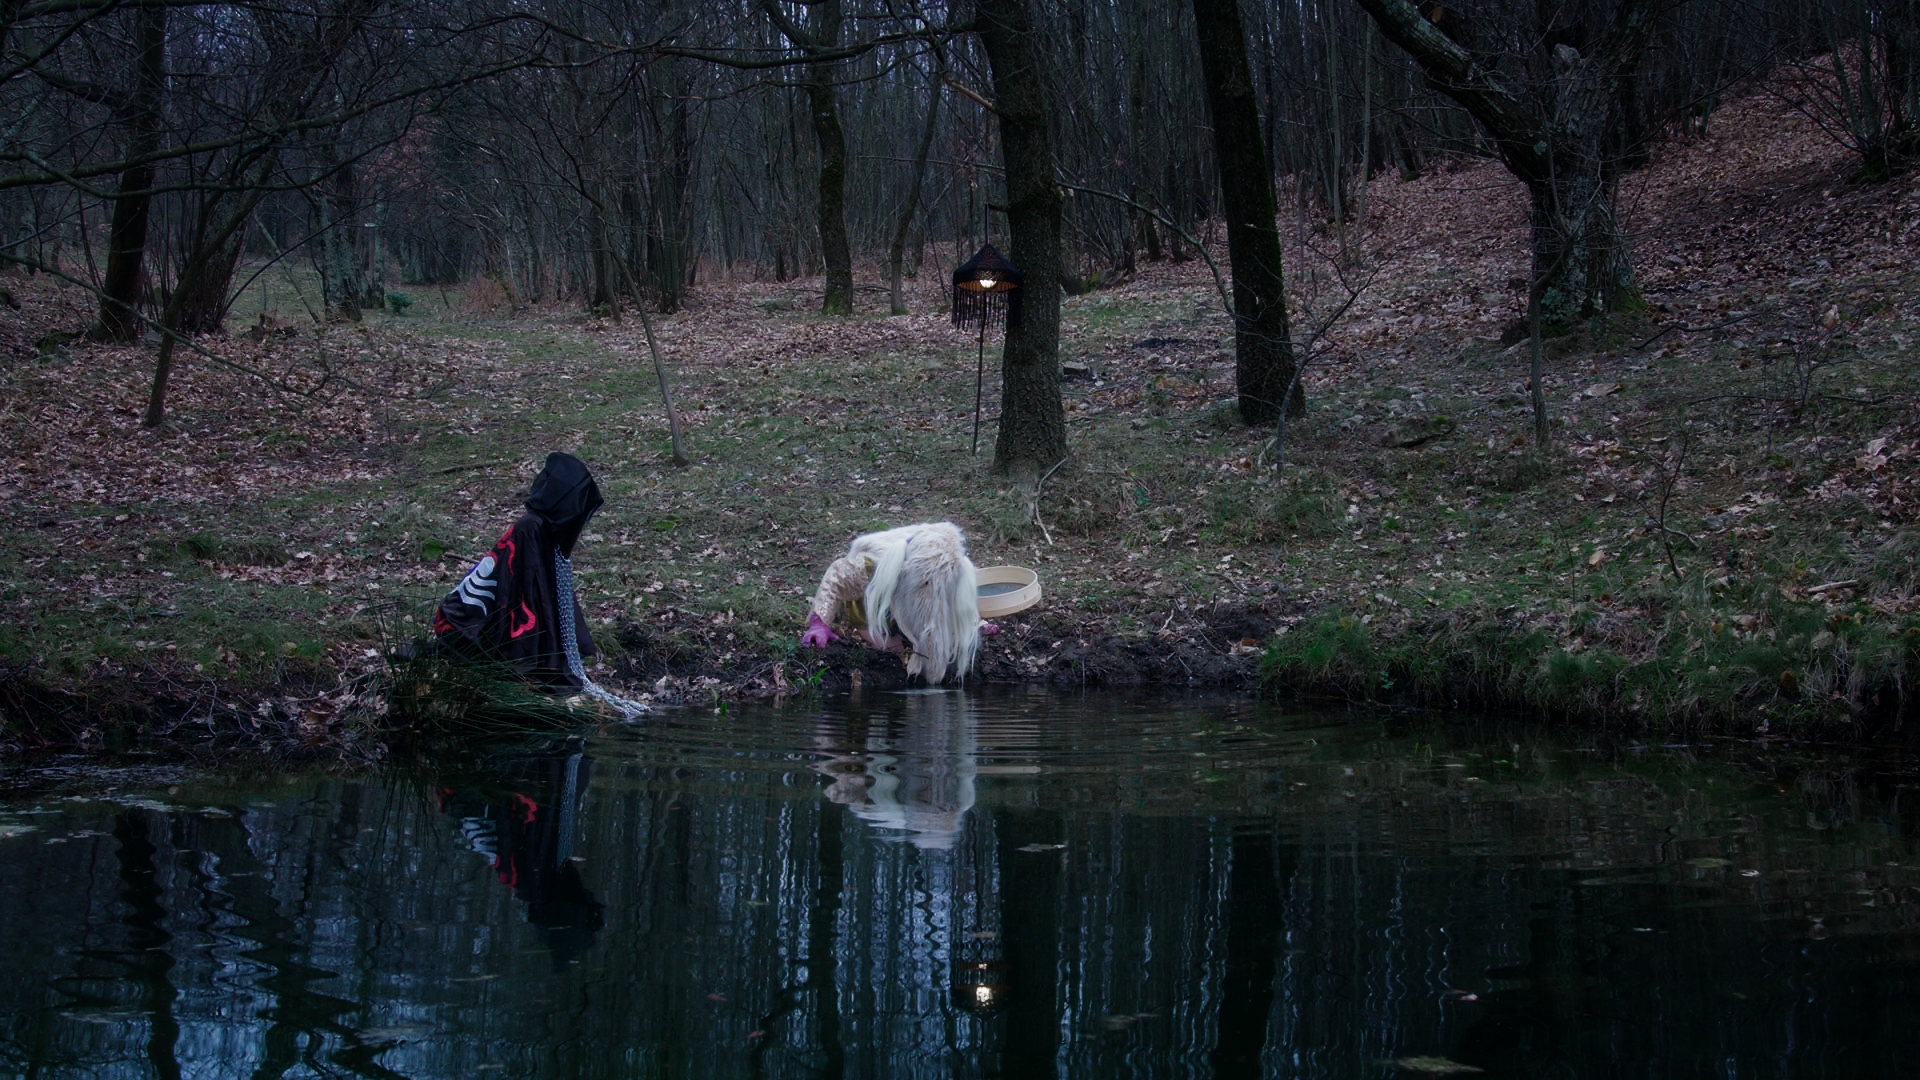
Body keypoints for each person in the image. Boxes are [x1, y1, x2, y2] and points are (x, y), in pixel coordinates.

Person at [433, 452, 644, 715]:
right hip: (473, 618)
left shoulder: (544, 531)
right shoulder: (530, 528)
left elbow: (546, 587)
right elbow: (524, 586)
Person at [800, 522, 995, 683]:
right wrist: (820, 622)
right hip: (871, 600)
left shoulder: (952, 567)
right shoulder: (869, 566)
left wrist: (972, 622)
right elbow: (837, 575)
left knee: (941, 637)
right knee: (892, 648)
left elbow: (956, 602)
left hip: (905, 599)